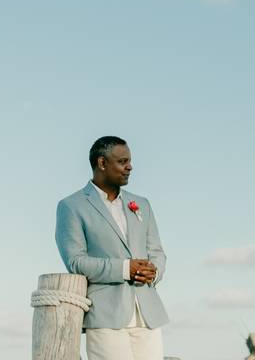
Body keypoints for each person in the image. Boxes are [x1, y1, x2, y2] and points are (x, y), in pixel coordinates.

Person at [55, 136, 169, 360]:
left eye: (129, 161)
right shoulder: (71, 206)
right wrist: (126, 269)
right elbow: (76, 262)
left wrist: (154, 271)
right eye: (122, 161)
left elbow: (157, 251)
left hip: (148, 314)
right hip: (106, 315)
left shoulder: (142, 204)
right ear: (102, 163)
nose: (130, 167)